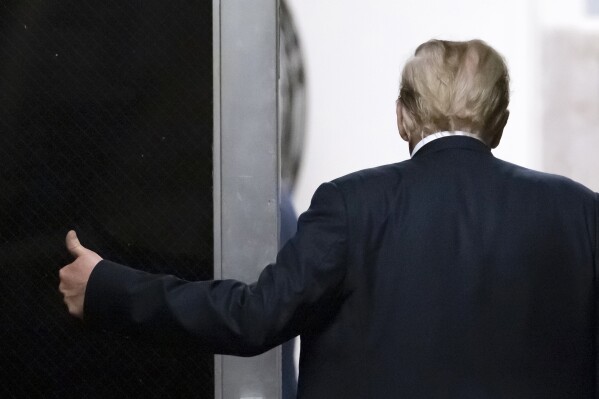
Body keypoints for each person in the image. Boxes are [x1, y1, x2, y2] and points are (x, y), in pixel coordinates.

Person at [59, 39, 599, 398]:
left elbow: (251, 319)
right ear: (499, 120)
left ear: (402, 115)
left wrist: (108, 287)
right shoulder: (581, 214)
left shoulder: (350, 205)